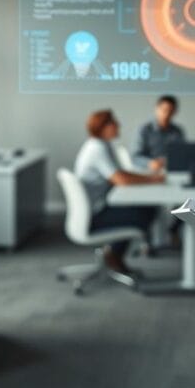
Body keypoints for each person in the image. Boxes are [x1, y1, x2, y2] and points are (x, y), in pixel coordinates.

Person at [74, 109, 164, 275]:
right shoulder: (97, 149)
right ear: (103, 127)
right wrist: (152, 180)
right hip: (96, 216)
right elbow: (121, 179)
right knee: (146, 211)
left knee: (145, 208)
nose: (118, 126)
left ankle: (114, 254)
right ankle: (114, 255)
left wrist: (148, 178)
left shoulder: (101, 145)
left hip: (96, 208)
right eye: (114, 123)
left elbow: (120, 174)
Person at [132, 95, 185, 172]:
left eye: (170, 111)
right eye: (164, 110)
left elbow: (182, 154)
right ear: (156, 109)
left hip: (172, 171)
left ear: (175, 112)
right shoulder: (144, 129)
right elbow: (135, 157)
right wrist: (149, 163)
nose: (167, 114)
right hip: (148, 172)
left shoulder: (178, 131)